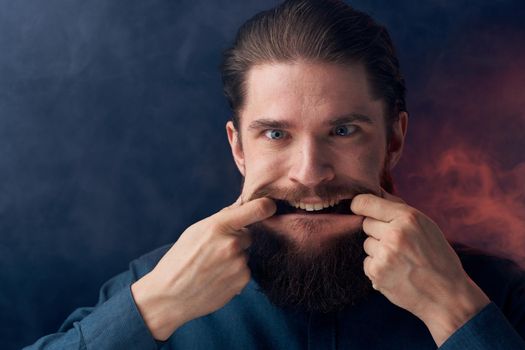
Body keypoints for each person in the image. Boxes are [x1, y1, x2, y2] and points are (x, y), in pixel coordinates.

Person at [25, 0, 525, 349]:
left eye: (344, 130)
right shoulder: (153, 285)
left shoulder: (492, 292)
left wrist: (454, 310)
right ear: (238, 148)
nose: (310, 173)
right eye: (275, 135)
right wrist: (153, 309)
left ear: (393, 140)